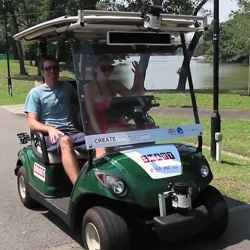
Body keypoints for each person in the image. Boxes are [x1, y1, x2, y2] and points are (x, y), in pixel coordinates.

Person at [24, 55, 84, 184]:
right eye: (48, 68)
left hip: (73, 131)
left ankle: (104, 181)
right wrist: (50, 129)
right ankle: (79, 187)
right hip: (51, 136)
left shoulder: (68, 88)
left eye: (55, 67)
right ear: (42, 71)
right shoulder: (36, 93)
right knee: (65, 141)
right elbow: (31, 122)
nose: (52, 71)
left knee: (100, 140)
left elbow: (79, 106)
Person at [84, 55, 145, 157]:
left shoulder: (114, 84)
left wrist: (139, 77)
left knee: (141, 132)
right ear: (96, 69)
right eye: (104, 68)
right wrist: (100, 137)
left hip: (115, 122)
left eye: (110, 68)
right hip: (98, 126)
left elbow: (136, 95)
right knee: (129, 133)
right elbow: (91, 115)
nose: (107, 71)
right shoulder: (89, 88)